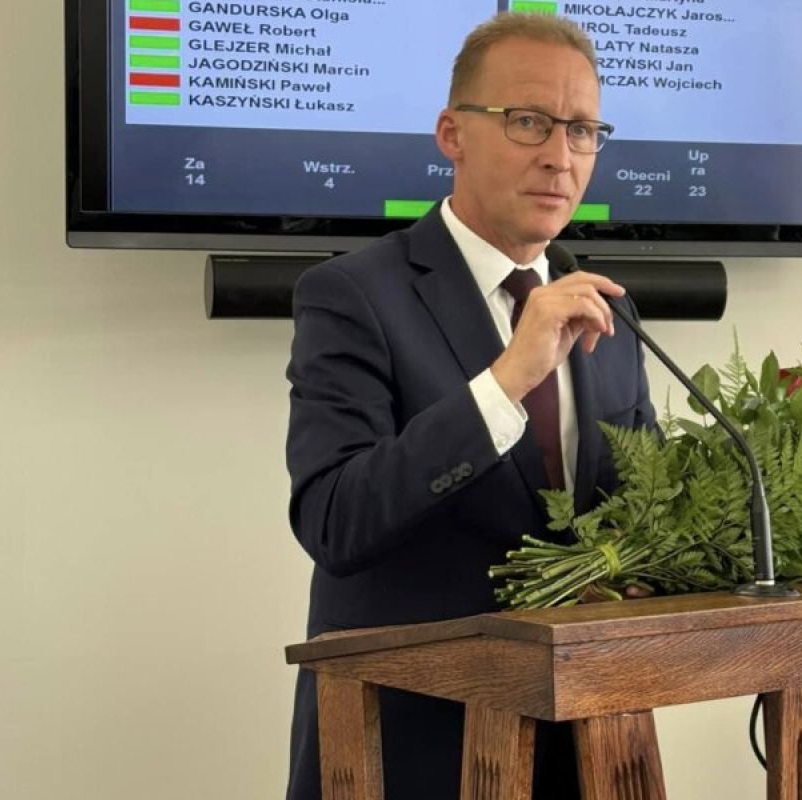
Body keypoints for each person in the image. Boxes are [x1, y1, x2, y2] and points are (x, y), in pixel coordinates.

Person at [283, 12, 656, 800]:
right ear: (452, 134)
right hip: (407, 748)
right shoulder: (352, 295)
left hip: (589, 750)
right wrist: (505, 380)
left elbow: (642, 519)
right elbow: (335, 520)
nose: (559, 156)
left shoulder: (610, 312)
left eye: (582, 130)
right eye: (528, 122)